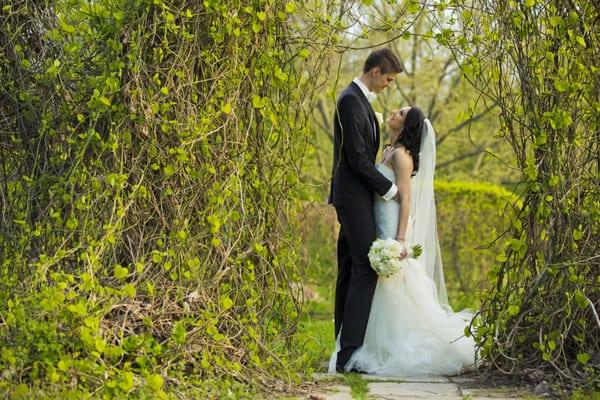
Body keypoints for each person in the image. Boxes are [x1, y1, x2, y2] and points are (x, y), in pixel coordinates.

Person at [329, 106, 477, 376]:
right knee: (379, 277)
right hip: (379, 214)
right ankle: (367, 341)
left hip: (392, 219)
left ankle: (388, 342)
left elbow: (406, 198)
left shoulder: (401, 156)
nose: (394, 113)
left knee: (393, 278)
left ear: (405, 126)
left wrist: (399, 239)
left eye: (400, 113)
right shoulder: (388, 150)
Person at [328, 48, 403, 373]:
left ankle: (341, 351)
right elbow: (358, 159)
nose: (388, 85)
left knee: (349, 267)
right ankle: (349, 355)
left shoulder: (360, 103)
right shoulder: (350, 101)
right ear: (374, 71)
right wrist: (391, 189)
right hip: (352, 197)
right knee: (365, 268)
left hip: (356, 196)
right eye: (387, 78)